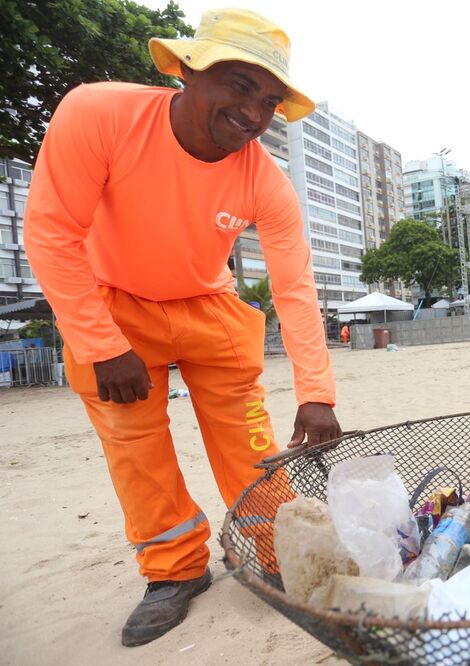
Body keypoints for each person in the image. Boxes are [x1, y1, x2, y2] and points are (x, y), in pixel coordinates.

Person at [24, 9, 342, 646]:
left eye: (271, 100)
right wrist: (101, 344)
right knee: (136, 450)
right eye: (240, 85)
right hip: (113, 306)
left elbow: (294, 289)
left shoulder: (266, 182)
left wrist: (317, 392)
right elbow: (51, 234)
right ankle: (173, 572)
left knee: (251, 450)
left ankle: (268, 554)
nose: (255, 114)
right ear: (189, 69)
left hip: (209, 309)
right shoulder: (98, 114)